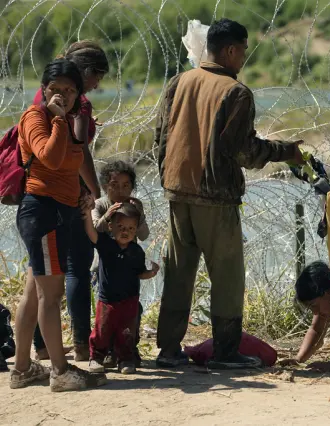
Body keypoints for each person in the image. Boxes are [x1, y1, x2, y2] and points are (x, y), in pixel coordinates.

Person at [154, 18, 304, 368]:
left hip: (177, 191)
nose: (244, 59)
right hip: (214, 196)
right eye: (244, 51)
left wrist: (168, 177)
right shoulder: (235, 92)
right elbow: (244, 152)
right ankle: (225, 352)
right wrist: (286, 152)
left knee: (178, 274)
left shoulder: (179, 82)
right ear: (231, 50)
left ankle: (168, 350)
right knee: (227, 277)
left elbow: (160, 137)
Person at [10, 59, 107, 391]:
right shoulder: (35, 118)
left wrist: (85, 194)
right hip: (44, 213)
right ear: (44, 90)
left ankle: (22, 370)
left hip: (59, 209)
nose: (63, 96)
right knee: (51, 296)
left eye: (70, 90)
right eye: (56, 89)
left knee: (34, 293)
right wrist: (61, 121)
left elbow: (71, 164)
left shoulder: (72, 120)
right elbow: (49, 158)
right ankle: (61, 372)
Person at [32, 41, 109, 362]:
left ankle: (41, 346)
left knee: (40, 274)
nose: (97, 85)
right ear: (85, 73)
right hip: (69, 191)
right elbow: (79, 150)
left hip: (37, 192)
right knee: (78, 264)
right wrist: (96, 193)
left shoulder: (43, 95)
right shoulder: (79, 104)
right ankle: (80, 344)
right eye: (97, 77)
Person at [81, 201, 159, 374]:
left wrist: (151, 273)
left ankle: (125, 360)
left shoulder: (136, 251)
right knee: (102, 331)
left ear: (136, 230)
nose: (126, 232)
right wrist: (87, 214)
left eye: (131, 229)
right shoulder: (106, 245)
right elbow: (92, 233)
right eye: (121, 227)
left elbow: (140, 273)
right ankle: (96, 358)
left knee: (126, 333)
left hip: (129, 300)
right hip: (107, 300)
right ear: (110, 226)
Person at [92, 160, 150, 367]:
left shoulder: (134, 206)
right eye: (114, 185)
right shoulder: (100, 205)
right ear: (105, 186)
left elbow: (143, 235)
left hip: (129, 269)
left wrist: (139, 213)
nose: (120, 190)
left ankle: (128, 348)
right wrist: (107, 217)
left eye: (126, 185)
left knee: (133, 309)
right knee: (107, 313)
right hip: (105, 269)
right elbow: (94, 232)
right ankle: (107, 351)